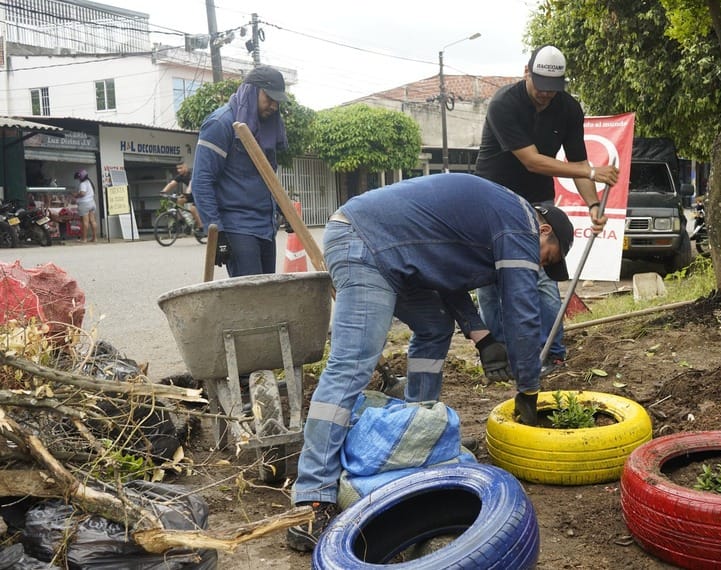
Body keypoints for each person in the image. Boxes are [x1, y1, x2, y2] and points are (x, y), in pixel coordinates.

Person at [286, 173, 579, 552]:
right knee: (352, 364)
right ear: (543, 231)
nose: (538, 266)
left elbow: (443, 274)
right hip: (365, 243)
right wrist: (528, 387)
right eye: (548, 258)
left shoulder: (498, 216)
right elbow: (521, 312)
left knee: (434, 326)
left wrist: (482, 336)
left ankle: (418, 431)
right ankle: (312, 495)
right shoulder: (517, 225)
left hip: (391, 251)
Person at [475, 45, 619, 376]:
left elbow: (578, 161)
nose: (545, 95)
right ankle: (499, 356)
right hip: (493, 198)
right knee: (490, 278)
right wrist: (591, 173)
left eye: (553, 89)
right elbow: (533, 161)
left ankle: (553, 353)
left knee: (543, 274)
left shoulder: (568, 109)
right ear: (527, 72)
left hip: (539, 202)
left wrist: (594, 204)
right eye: (540, 86)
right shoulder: (504, 104)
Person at [191, 65, 288, 277]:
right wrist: (217, 232)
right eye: (269, 98)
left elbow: (267, 176)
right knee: (250, 299)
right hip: (237, 227)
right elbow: (202, 180)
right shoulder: (221, 123)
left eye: (277, 101)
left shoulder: (268, 127)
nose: (273, 105)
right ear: (252, 91)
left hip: (265, 227)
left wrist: (284, 209)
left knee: (266, 296)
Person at [160, 161, 203, 233]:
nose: (179, 170)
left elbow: (191, 185)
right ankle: (183, 220)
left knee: (192, 209)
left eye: (180, 168)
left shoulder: (192, 174)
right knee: (179, 201)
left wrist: (186, 193)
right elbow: (171, 184)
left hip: (200, 194)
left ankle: (201, 227)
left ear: (186, 167)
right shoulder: (180, 176)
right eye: (177, 168)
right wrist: (163, 191)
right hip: (192, 194)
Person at [72, 169, 98, 243]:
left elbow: (83, 193)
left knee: (85, 222)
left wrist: (76, 195)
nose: (78, 179)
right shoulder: (89, 182)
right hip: (92, 203)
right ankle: (95, 238)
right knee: (92, 221)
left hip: (85, 204)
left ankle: (84, 239)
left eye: (78, 177)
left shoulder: (83, 184)